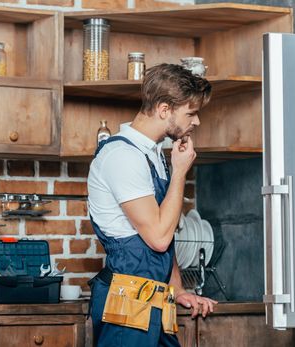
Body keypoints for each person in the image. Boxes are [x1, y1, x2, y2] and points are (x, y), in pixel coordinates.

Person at [87, 63, 217, 346]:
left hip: (154, 299)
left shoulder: (153, 155)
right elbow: (158, 238)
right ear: (164, 109)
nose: (196, 122)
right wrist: (181, 172)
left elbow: (163, 236)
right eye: (191, 113)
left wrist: (178, 288)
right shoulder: (123, 156)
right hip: (127, 301)